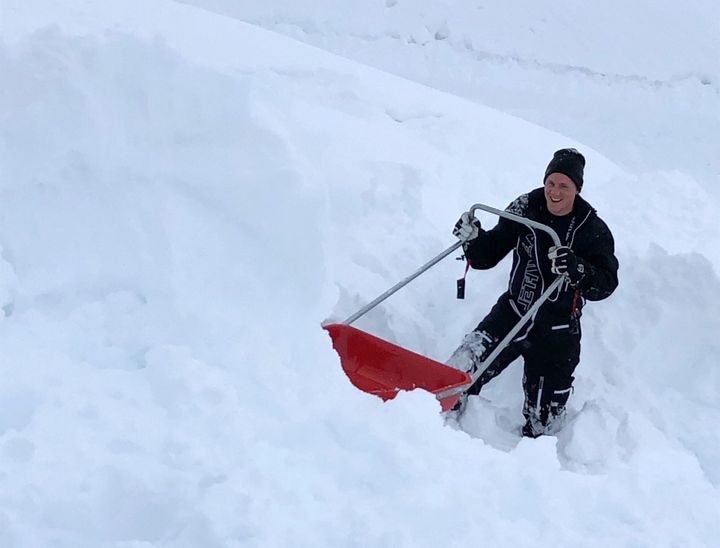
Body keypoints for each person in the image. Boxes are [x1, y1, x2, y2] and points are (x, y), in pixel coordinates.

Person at [447, 148, 619, 437]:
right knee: (456, 376)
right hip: (512, 313)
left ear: (576, 189)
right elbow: (488, 255)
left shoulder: (592, 229)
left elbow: (607, 282)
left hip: (558, 332)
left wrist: (577, 269)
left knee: (544, 424)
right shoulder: (527, 206)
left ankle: (534, 467)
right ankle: (435, 431)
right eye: (550, 183)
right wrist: (473, 241)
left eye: (564, 186)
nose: (554, 191)